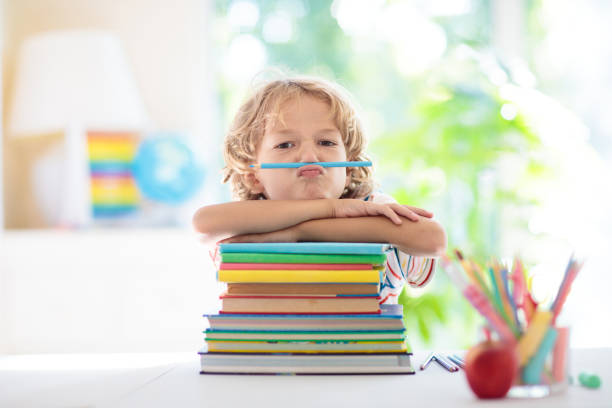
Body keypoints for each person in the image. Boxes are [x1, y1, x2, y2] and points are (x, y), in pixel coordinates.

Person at [193, 76, 446, 304]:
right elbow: (203, 224)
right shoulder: (249, 220)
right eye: (285, 144)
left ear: (348, 169)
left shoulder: (372, 206)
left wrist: (297, 232)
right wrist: (330, 209)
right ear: (253, 177)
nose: (309, 155)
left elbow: (433, 240)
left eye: (325, 142)